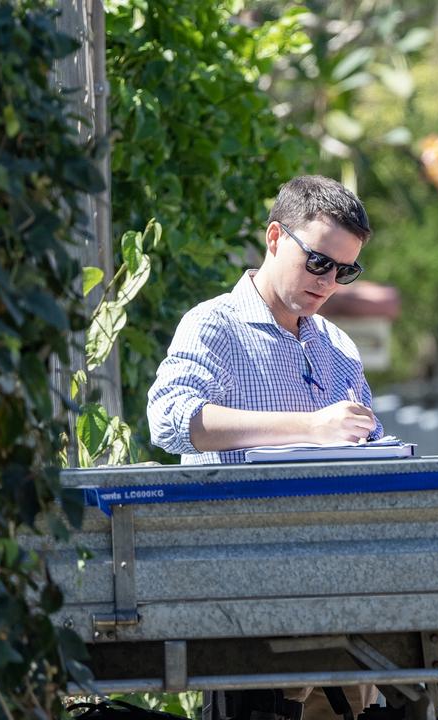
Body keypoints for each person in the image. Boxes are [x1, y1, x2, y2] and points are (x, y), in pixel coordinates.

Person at [147, 174, 381, 720]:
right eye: (318, 262)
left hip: (340, 590)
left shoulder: (337, 344)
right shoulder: (213, 325)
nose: (329, 282)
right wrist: (309, 428)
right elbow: (170, 418)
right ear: (275, 238)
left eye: (345, 270)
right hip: (245, 589)